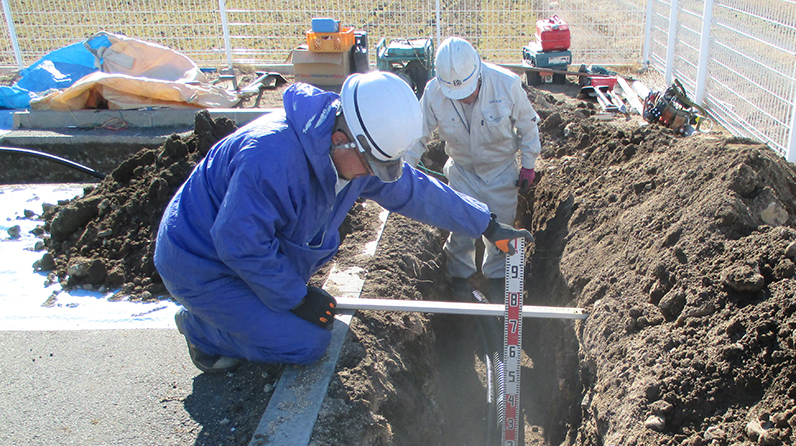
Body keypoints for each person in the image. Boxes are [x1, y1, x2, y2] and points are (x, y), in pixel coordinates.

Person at [154, 71, 532, 373]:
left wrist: (485, 225)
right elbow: (239, 242)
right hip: (202, 264)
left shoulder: (356, 146)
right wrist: (297, 297)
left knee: (299, 320)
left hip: (243, 253)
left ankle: (250, 309)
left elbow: (415, 190)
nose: (376, 175)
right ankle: (201, 329)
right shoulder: (270, 159)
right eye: (373, 166)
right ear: (340, 139)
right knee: (307, 343)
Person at [405, 36, 540, 302]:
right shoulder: (434, 93)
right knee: (460, 232)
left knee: (501, 233)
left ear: (478, 73)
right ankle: (459, 282)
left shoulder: (506, 84)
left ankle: (499, 284)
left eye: (469, 91)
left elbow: (528, 125)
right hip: (462, 172)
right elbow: (417, 136)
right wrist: (402, 173)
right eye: (458, 95)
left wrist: (529, 164)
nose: (465, 98)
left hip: (501, 172)